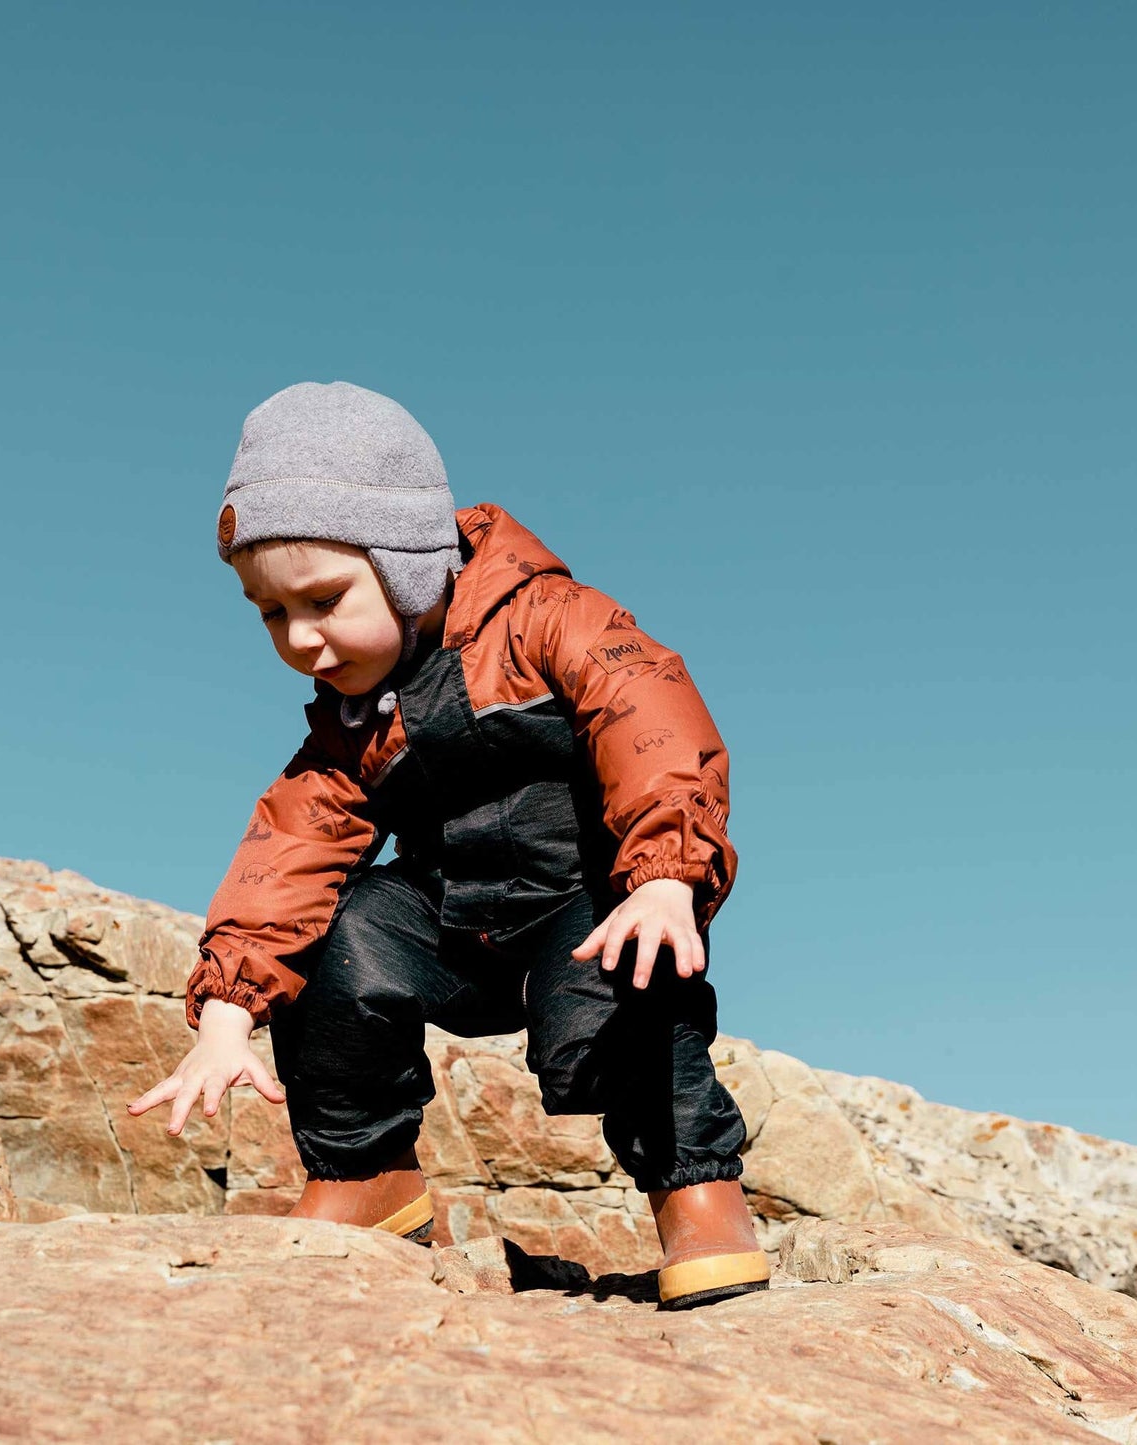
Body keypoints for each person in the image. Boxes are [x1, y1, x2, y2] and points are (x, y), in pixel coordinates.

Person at [127, 380, 768, 1309]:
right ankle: (367, 1176)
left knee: (624, 984)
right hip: (452, 926)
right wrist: (228, 1013)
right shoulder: (351, 725)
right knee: (342, 933)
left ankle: (696, 1192)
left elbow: (647, 713)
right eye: (270, 613)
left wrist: (664, 874)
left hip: (582, 905)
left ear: (407, 565)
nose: (301, 638)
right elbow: (288, 852)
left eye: (324, 599)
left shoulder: (547, 619)